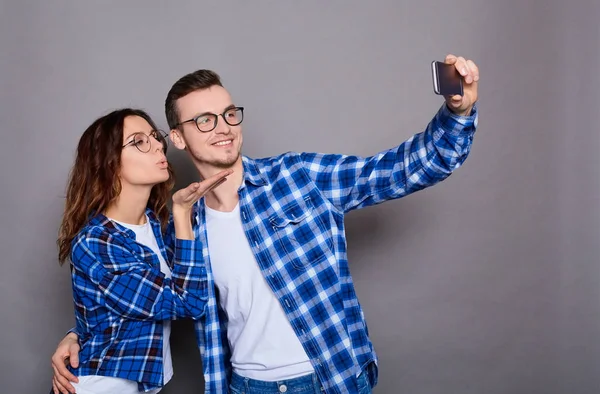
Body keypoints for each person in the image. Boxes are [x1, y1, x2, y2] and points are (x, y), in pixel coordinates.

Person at [52, 54, 480, 394]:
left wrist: (458, 112)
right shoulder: (182, 227)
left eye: (228, 114)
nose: (222, 128)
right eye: (204, 120)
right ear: (179, 137)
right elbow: (146, 290)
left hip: (328, 379)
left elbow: (405, 168)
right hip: (244, 385)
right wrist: (79, 335)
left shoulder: (300, 178)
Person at [51, 108, 231, 394]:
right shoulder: (96, 244)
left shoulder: (157, 226)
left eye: (154, 137)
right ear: (109, 163)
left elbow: (107, 313)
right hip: (98, 387)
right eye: (138, 142)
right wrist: (182, 211)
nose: (158, 145)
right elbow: (190, 301)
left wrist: (75, 334)